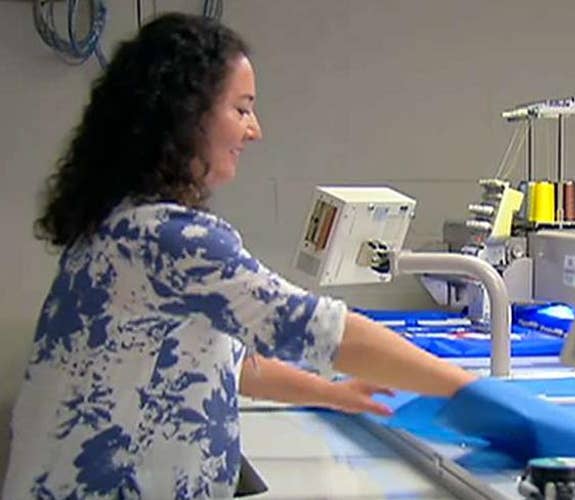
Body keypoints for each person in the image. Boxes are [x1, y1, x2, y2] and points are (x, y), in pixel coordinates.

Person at [4, 13, 475, 499]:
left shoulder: (120, 222)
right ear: (187, 114)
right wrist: (475, 393)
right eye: (242, 108)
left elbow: (230, 364)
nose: (255, 131)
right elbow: (319, 329)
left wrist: (334, 394)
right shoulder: (167, 238)